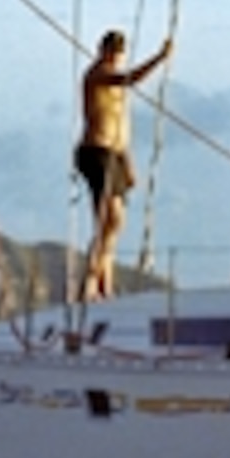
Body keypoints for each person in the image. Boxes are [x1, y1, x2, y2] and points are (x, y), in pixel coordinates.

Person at [74, 28, 172, 301]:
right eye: (111, 51)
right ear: (102, 50)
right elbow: (129, 78)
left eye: (118, 52)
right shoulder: (97, 75)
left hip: (114, 153)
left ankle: (104, 285)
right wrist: (159, 58)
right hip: (96, 150)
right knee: (111, 219)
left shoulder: (114, 88)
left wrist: (127, 162)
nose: (114, 56)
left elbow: (120, 125)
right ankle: (91, 282)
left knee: (112, 225)